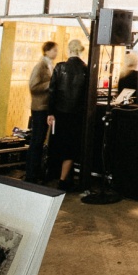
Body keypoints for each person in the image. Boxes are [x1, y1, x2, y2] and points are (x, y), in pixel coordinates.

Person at [47, 39, 89, 191]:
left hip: (59, 113)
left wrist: (50, 113)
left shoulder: (60, 67)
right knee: (71, 148)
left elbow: (52, 92)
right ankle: (64, 179)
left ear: (69, 51)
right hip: (76, 116)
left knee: (59, 145)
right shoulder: (86, 70)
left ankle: (58, 176)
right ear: (81, 51)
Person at [25, 41, 56, 183]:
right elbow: (33, 86)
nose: (56, 53)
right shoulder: (40, 66)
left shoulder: (49, 65)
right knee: (36, 141)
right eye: (54, 50)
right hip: (39, 108)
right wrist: (51, 84)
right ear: (47, 51)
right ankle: (31, 173)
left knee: (40, 140)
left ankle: (37, 171)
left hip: (45, 107)